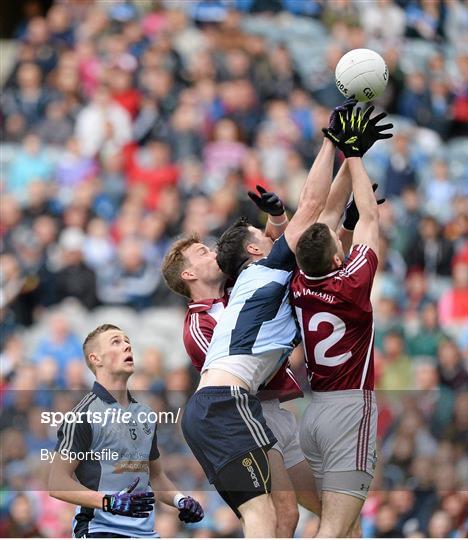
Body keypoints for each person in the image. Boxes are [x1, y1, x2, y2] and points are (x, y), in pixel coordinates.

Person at [179, 97, 385, 536]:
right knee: (266, 516)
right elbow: (313, 209)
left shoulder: (273, 283)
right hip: (231, 403)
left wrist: (350, 160)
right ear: (257, 250)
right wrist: (335, 144)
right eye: (265, 234)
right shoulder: (266, 274)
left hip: (222, 406)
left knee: (292, 515)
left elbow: (323, 222)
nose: (276, 231)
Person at [161, 188, 321, 537]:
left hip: (270, 410)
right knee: (276, 513)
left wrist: (277, 216)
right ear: (189, 275)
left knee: (309, 511)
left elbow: (275, 249)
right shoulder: (198, 325)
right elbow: (235, 360)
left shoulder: (238, 286)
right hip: (246, 409)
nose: (215, 251)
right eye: (203, 252)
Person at [290, 105, 393, 536]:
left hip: (314, 414)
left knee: (345, 529)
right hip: (351, 409)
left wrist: (347, 156)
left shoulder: (298, 281)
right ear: (337, 256)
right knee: (334, 531)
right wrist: (354, 156)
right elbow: (368, 217)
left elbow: (329, 217)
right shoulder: (351, 283)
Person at [48, 324, 204, 538]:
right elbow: (57, 483)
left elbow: (156, 476)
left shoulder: (146, 414)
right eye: (116, 342)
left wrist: (180, 500)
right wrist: (108, 502)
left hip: (145, 533)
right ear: (96, 359)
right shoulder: (82, 415)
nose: (127, 346)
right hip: (100, 530)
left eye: (127, 341)